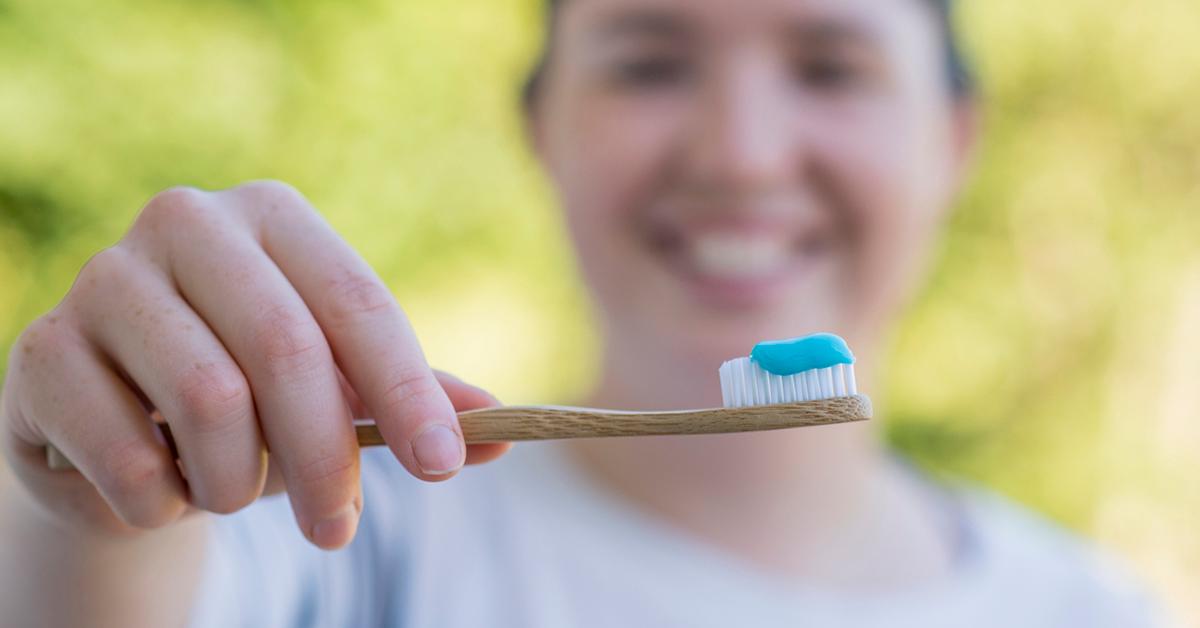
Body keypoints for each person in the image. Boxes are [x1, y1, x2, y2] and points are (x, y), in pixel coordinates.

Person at [0, 0, 1163, 626]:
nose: (742, 155)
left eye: (831, 65)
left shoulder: (1091, 613)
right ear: (540, 127)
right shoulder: (340, 537)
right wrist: (89, 509)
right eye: (651, 62)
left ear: (953, 140)